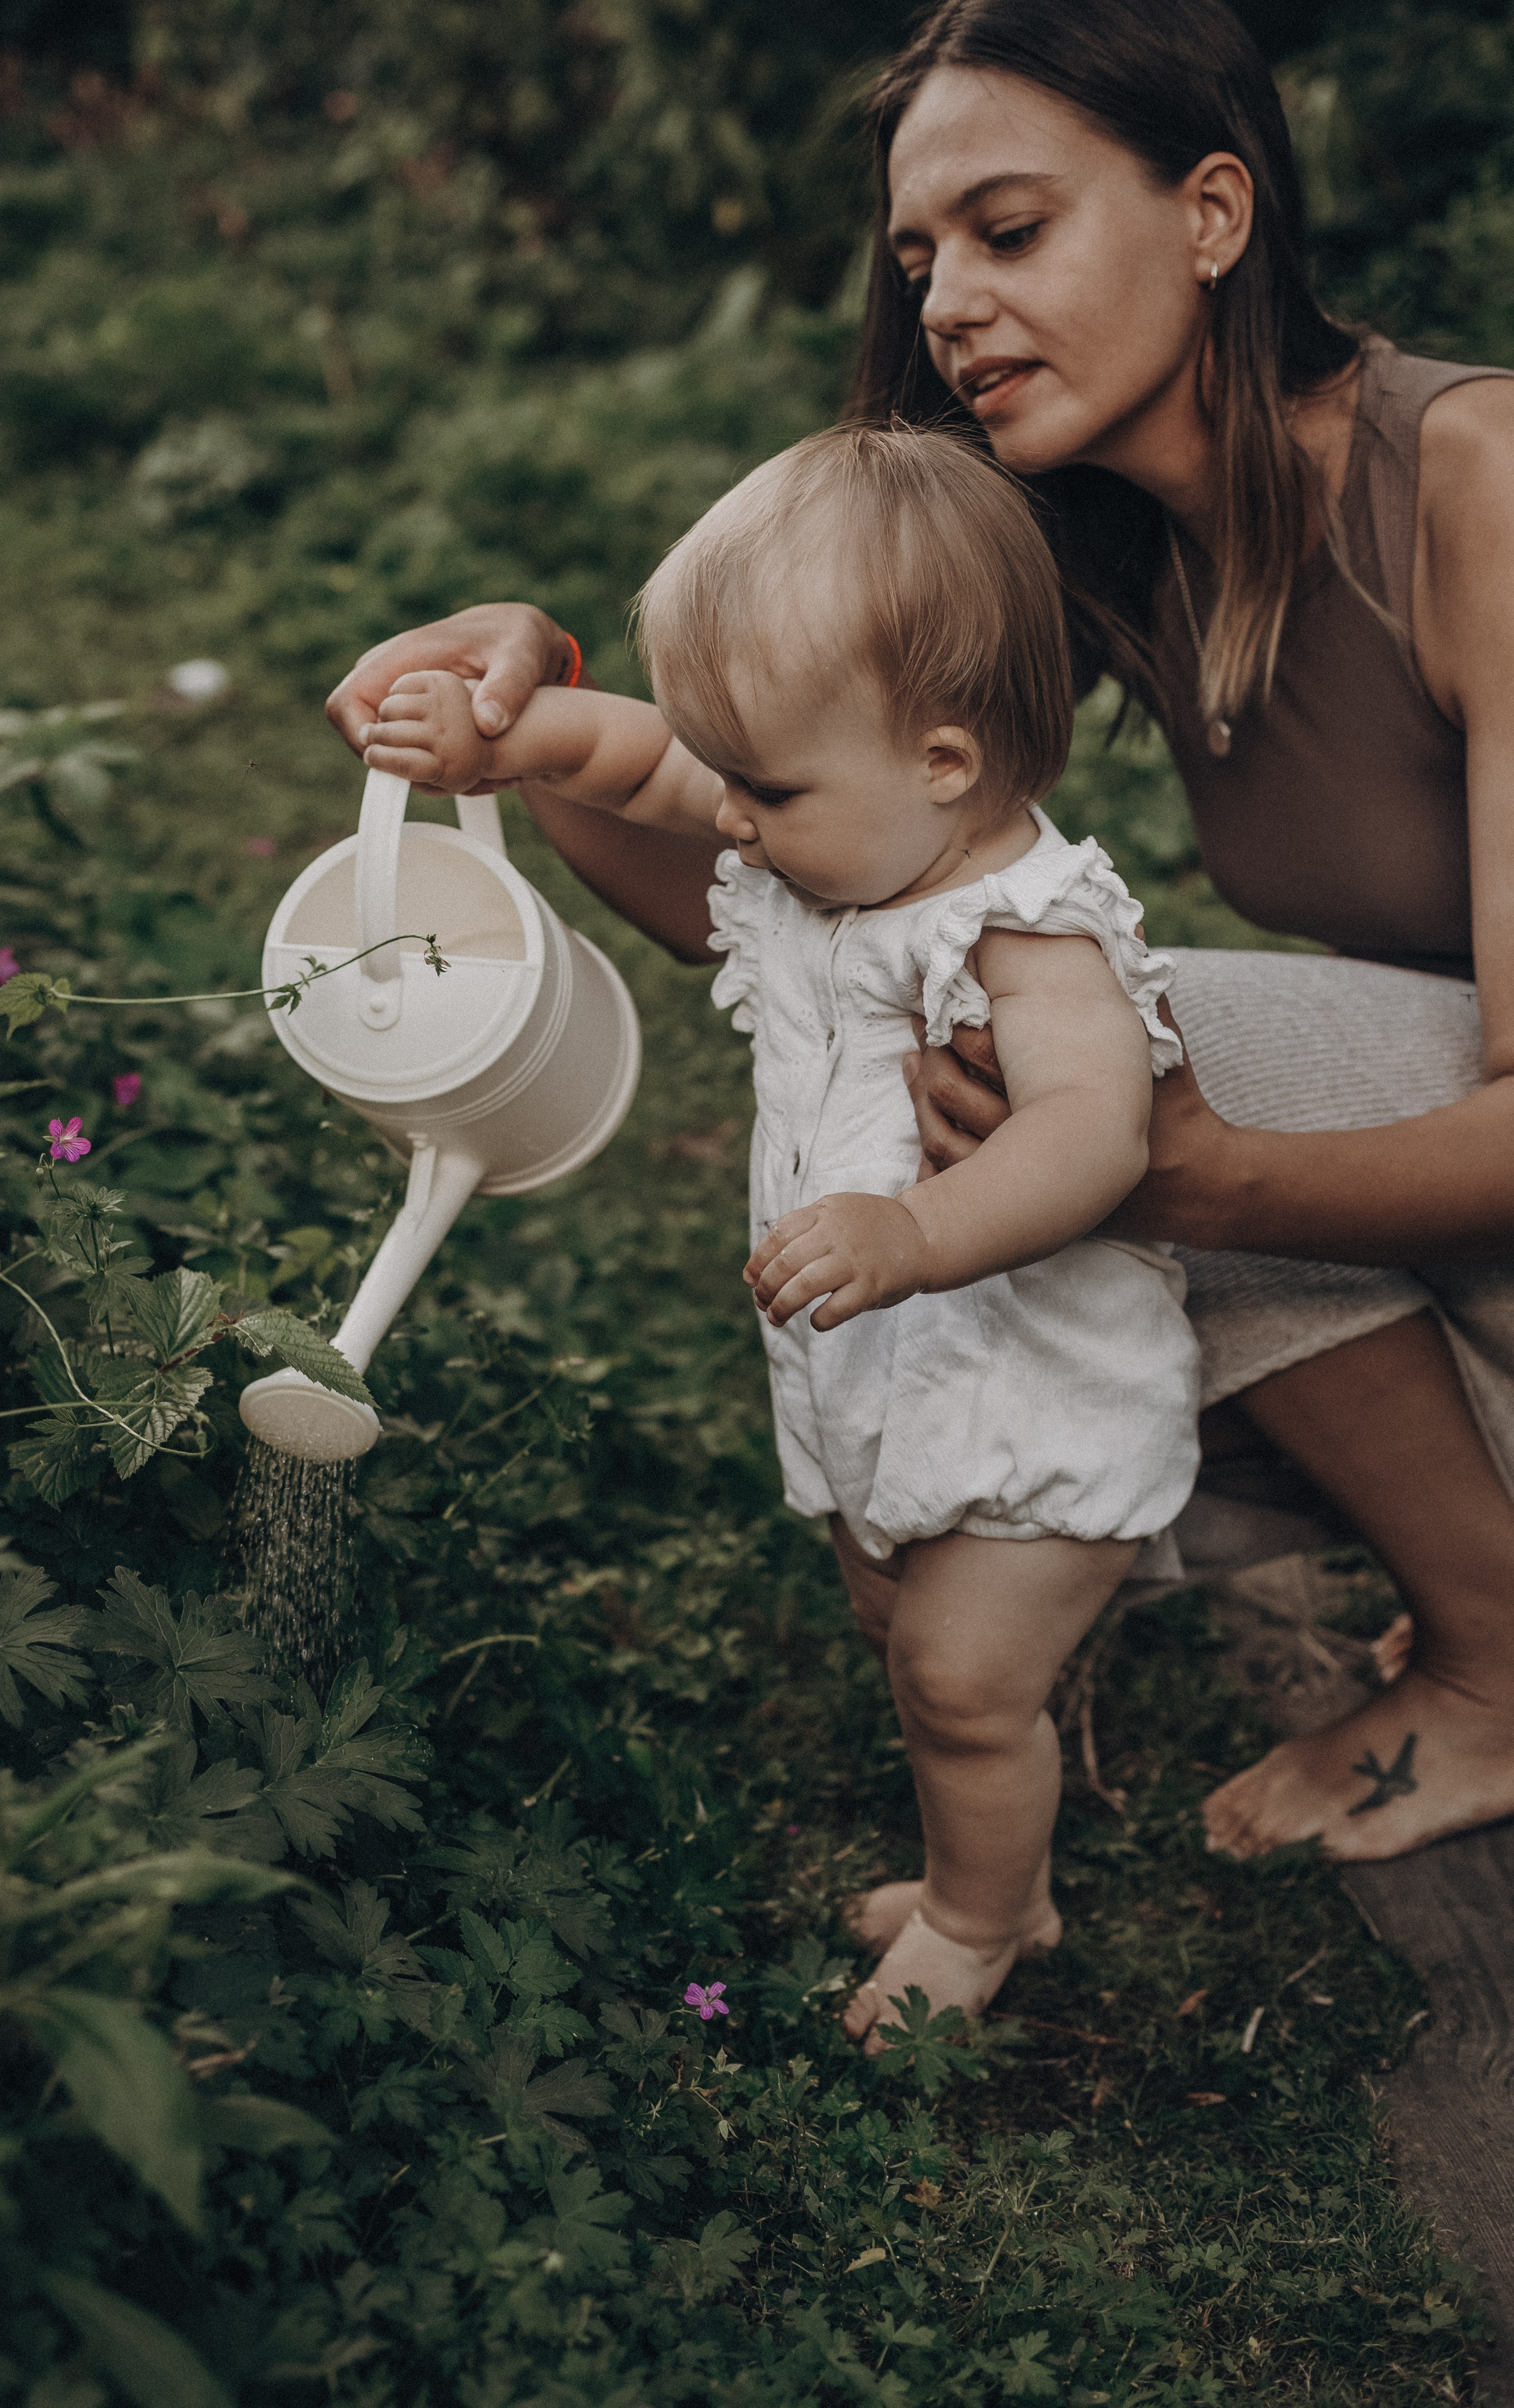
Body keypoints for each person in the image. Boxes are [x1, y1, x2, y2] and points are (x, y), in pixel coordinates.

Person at [328, 0, 1514, 1869]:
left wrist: (1196, 1173)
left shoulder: (1476, 484)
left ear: (1215, 212)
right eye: (918, 258)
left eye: (1010, 230)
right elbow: (798, 890)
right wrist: (533, 712)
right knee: (1016, 1062)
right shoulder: (1102, 531)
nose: (950, 300)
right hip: (1460, 1232)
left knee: (1132, 1043)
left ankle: (1498, 1662)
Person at [359, 421, 1201, 2042]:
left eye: (763, 788)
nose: (726, 821)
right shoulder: (835, 827)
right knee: (894, 1618)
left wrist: (913, 1228)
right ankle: (986, 1869)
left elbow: (1096, 1134)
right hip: (876, 1363)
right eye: (728, 773)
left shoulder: (1030, 933)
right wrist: (500, 743)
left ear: (944, 763)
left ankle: (984, 1920)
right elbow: (633, 761)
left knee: (962, 1679)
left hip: (1030, 1385)